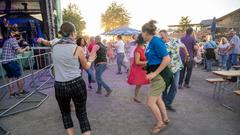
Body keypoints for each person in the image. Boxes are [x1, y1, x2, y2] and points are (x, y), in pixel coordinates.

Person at [52, 22, 95, 135]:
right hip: (77, 83)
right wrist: (90, 59)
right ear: (72, 33)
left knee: (65, 114)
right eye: (75, 32)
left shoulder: (54, 47)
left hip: (60, 86)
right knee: (82, 114)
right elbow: (86, 67)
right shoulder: (77, 48)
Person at [142, 20, 172, 134]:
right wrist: (148, 66)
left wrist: (154, 73)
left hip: (160, 76)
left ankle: (160, 124)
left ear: (146, 32)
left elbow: (167, 59)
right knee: (158, 99)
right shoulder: (151, 42)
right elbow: (155, 59)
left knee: (150, 102)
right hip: (156, 76)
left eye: (142, 33)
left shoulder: (156, 41)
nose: (141, 35)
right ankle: (165, 119)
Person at [159, 30, 189, 112]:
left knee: (175, 86)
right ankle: (163, 104)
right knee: (164, 87)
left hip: (176, 67)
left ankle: (167, 103)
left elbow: (183, 47)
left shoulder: (175, 41)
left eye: (161, 35)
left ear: (166, 34)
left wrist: (187, 55)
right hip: (166, 69)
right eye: (159, 36)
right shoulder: (160, 45)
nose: (160, 37)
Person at [1, 32, 30, 97]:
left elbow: (16, 52)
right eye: (20, 40)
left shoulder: (7, 41)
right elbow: (20, 51)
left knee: (10, 77)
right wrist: (25, 48)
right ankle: (21, 91)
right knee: (19, 76)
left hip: (5, 62)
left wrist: (22, 48)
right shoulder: (13, 41)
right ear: (17, 38)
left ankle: (12, 93)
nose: (20, 41)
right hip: (11, 61)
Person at [127, 34, 149, 103]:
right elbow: (137, 62)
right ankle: (136, 97)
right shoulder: (137, 50)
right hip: (138, 69)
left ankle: (136, 96)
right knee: (139, 84)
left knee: (140, 84)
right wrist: (147, 62)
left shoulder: (144, 48)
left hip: (143, 68)